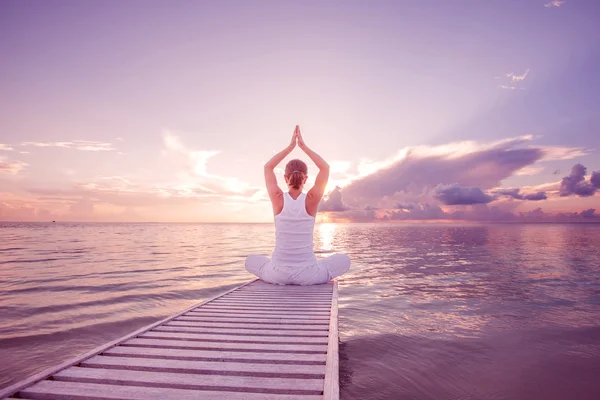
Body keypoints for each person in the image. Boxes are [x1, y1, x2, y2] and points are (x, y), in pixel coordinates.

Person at [245, 125, 351, 285]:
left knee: (250, 260)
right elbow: (325, 168)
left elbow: (268, 167)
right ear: (305, 178)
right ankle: (315, 264)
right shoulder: (311, 198)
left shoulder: (277, 198)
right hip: (308, 274)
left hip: (278, 273)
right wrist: (303, 146)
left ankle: (298, 266)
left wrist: (290, 147)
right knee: (344, 259)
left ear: (285, 178)